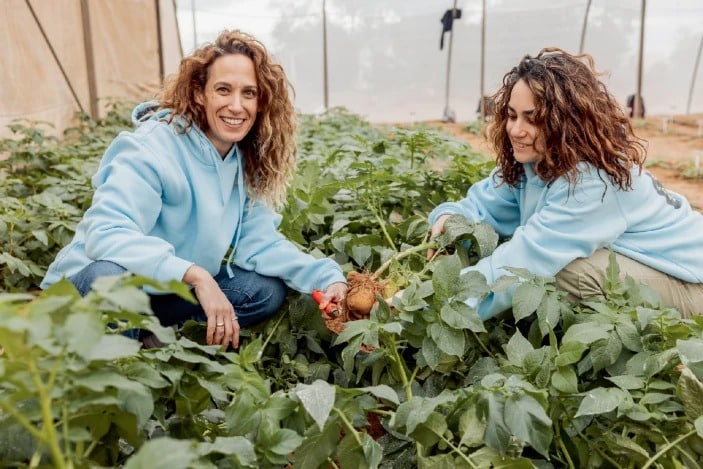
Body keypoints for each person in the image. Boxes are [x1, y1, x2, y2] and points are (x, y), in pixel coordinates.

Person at [41, 29, 347, 348]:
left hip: (156, 290)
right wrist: (196, 276)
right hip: (84, 291)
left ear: (261, 102)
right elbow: (106, 233)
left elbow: (259, 243)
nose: (236, 106)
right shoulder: (150, 148)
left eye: (249, 93)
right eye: (223, 90)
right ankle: (113, 363)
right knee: (106, 276)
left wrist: (326, 277)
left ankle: (156, 343)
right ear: (200, 93)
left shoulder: (242, 160)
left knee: (263, 290)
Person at [427, 48, 703, 319]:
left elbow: (524, 262)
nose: (515, 130)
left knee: (564, 273)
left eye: (532, 119)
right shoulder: (535, 162)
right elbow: (481, 206)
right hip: (657, 268)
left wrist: (435, 301)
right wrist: (449, 217)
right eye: (512, 115)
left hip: (690, 282)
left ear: (566, 123)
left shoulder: (592, 182)